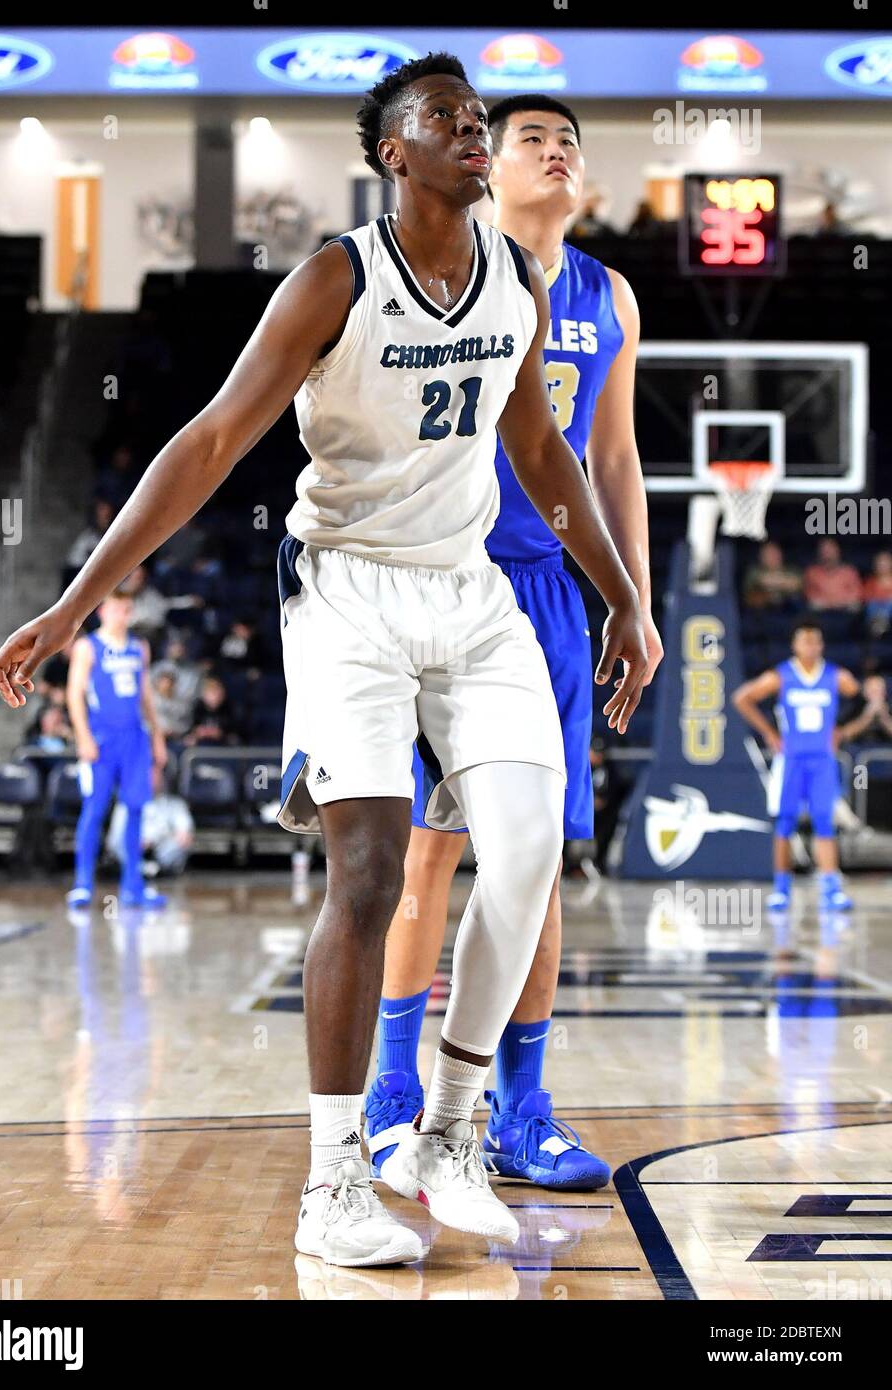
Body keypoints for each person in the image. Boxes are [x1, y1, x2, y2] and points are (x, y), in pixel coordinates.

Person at [0, 53, 648, 1268]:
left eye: (479, 118)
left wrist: (629, 602)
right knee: (370, 866)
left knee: (525, 860)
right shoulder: (334, 279)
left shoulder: (515, 281)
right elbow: (211, 440)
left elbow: (546, 455)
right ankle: (335, 1176)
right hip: (346, 587)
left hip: (473, 591)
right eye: (449, 119)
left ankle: (450, 1135)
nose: (474, 131)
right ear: (395, 153)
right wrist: (79, 602)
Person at [365, 93, 662, 1195]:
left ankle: (518, 1109)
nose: (555, 150)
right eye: (533, 136)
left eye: (571, 140)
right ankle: (394, 1091)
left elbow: (616, 460)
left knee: (536, 871)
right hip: (445, 579)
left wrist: (629, 596)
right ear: (488, 163)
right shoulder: (449, 268)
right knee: (424, 854)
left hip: (548, 593)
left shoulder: (609, 293)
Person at [732, 620, 859, 913]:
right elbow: (742, 698)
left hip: (822, 761)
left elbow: (861, 699)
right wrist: (769, 733)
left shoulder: (836, 676)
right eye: (805, 641)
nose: (811, 647)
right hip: (790, 760)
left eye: (816, 642)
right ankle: (781, 889)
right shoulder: (781, 675)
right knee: (785, 823)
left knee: (825, 823)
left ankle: (831, 890)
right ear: (795, 645)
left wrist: (843, 730)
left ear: (822, 645)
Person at [64, 588, 168, 910]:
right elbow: (74, 694)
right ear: (102, 611)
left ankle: (133, 886)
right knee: (94, 810)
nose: (122, 615)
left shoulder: (139, 648)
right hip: (102, 739)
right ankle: (82, 885)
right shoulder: (87, 647)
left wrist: (158, 737)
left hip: (134, 738)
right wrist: (83, 736)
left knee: (136, 809)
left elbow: (146, 697)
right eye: (116, 609)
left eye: (126, 609)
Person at [107, 765, 194, 878]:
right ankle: (138, 869)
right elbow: (115, 836)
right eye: (149, 776)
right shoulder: (125, 804)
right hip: (133, 849)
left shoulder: (174, 804)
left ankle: (156, 869)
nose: (153, 780)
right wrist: (137, 840)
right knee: (118, 842)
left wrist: (154, 839)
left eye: (157, 776)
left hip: (160, 851)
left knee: (182, 840)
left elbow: (184, 828)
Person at [803, 539, 862, 611]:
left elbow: (856, 593)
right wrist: (829, 604)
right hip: (821, 609)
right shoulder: (812, 572)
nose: (828, 554)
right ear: (819, 553)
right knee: (813, 605)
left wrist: (838, 603)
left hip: (845, 609)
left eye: (830, 550)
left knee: (855, 605)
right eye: (825, 551)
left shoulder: (849, 571)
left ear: (837, 552)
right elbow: (809, 594)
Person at [742, 541, 803, 610]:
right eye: (768, 554)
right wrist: (783, 583)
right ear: (761, 557)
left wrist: (775, 582)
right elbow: (756, 584)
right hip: (762, 611)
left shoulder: (791, 570)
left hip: (788, 609)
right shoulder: (754, 571)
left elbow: (797, 584)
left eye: (775, 553)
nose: (773, 557)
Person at [863, 551, 892, 635]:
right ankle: (878, 626)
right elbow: (866, 597)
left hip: (889, 613)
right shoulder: (870, 582)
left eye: (885, 562)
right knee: (872, 605)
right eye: (879, 562)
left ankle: (882, 624)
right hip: (874, 613)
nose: (882, 565)